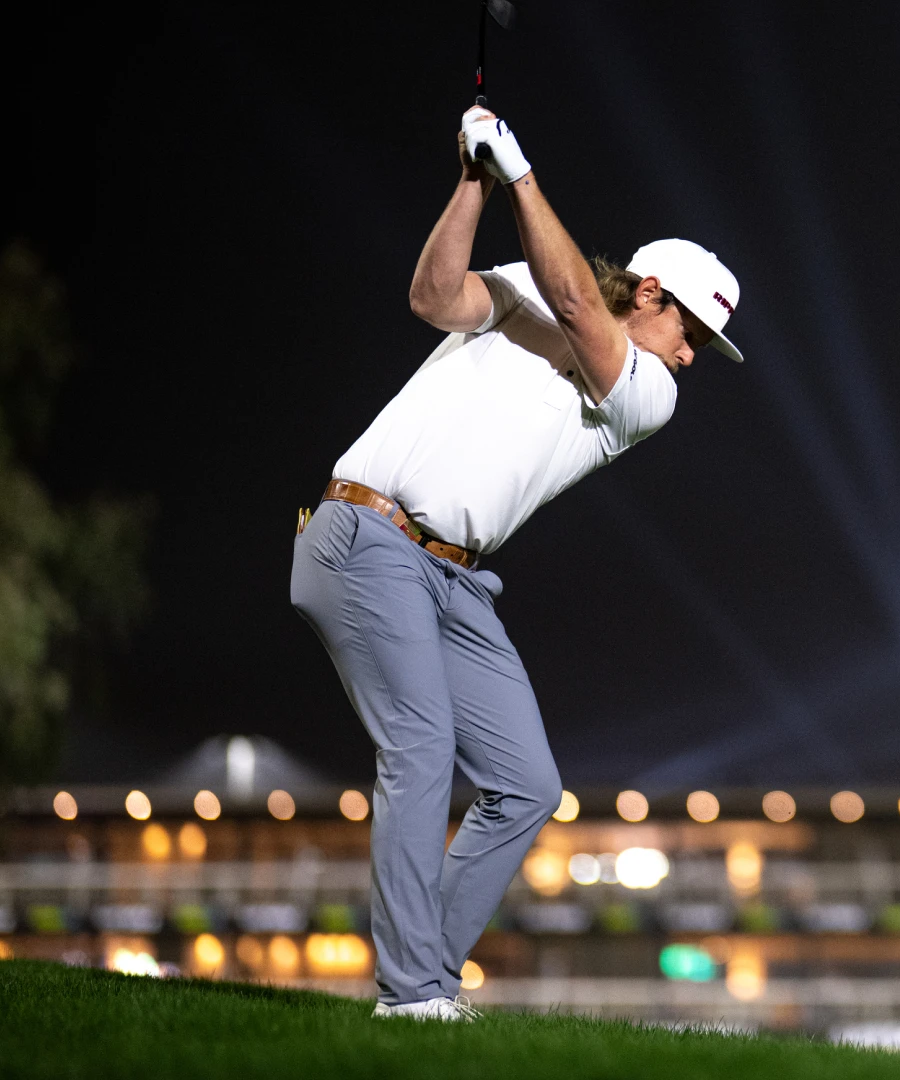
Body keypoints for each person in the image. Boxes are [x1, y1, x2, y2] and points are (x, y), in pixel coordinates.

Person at [290, 106, 743, 1022]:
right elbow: (433, 297)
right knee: (419, 748)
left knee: (528, 786)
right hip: (363, 537)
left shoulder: (648, 393)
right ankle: (411, 993)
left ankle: (425, 979)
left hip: (455, 580)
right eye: (691, 327)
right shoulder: (523, 289)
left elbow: (576, 305)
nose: (694, 355)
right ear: (650, 291)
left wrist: (522, 173)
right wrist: (476, 179)